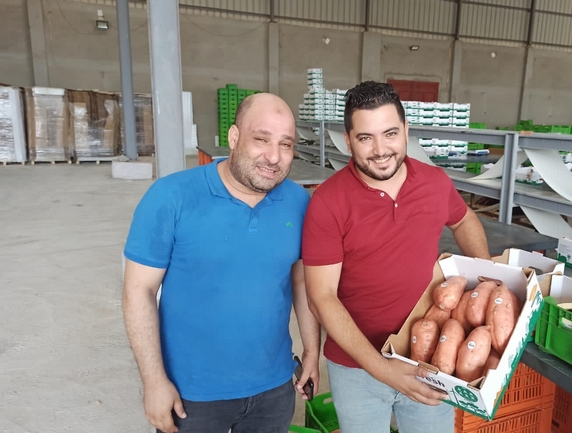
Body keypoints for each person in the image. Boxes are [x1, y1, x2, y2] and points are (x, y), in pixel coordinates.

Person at [122, 93, 320, 433]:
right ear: (234, 137)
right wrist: (154, 381)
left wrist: (312, 351)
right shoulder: (171, 197)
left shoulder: (298, 202)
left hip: (273, 389)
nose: (274, 157)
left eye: (286, 144)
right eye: (261, 139)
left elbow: (301, 280)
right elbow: (139, 292)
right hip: (191, 393)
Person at [301, 81, 491, 433]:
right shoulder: (327, 202)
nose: (380, 150)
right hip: (356, 366)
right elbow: (321, 297)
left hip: (428, 357)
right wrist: (381, 368)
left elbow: (463, 219)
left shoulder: (434, 183)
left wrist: (488, 276)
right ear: (348, 141)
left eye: (390, 133)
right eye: (365, 138)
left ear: (406, 130)